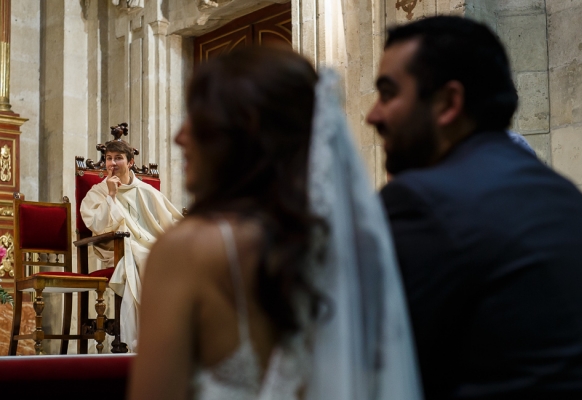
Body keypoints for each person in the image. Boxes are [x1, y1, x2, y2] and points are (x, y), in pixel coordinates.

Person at [129, 47, 422, 400]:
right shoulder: (349, 246)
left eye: (197, 117)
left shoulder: (186, 252)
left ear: (241, 131)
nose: (179, 136)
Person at [367, 16, 582, 399]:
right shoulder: (561, 194)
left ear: (448, 103)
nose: (372, 115)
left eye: (388, 94)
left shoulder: (422, 201)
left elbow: (381, 367)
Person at [80, 140, 183, 352]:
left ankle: (176, 334)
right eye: (109, 158)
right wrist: (111, 196)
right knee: (146, 258)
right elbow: (98, 225)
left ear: (130, 162)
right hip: (118, 250)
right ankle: (149, 335)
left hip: (147, 246)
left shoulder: (146, 191)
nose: (112, 163)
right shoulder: (97, 192)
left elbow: (171, 221)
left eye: (118, 158)